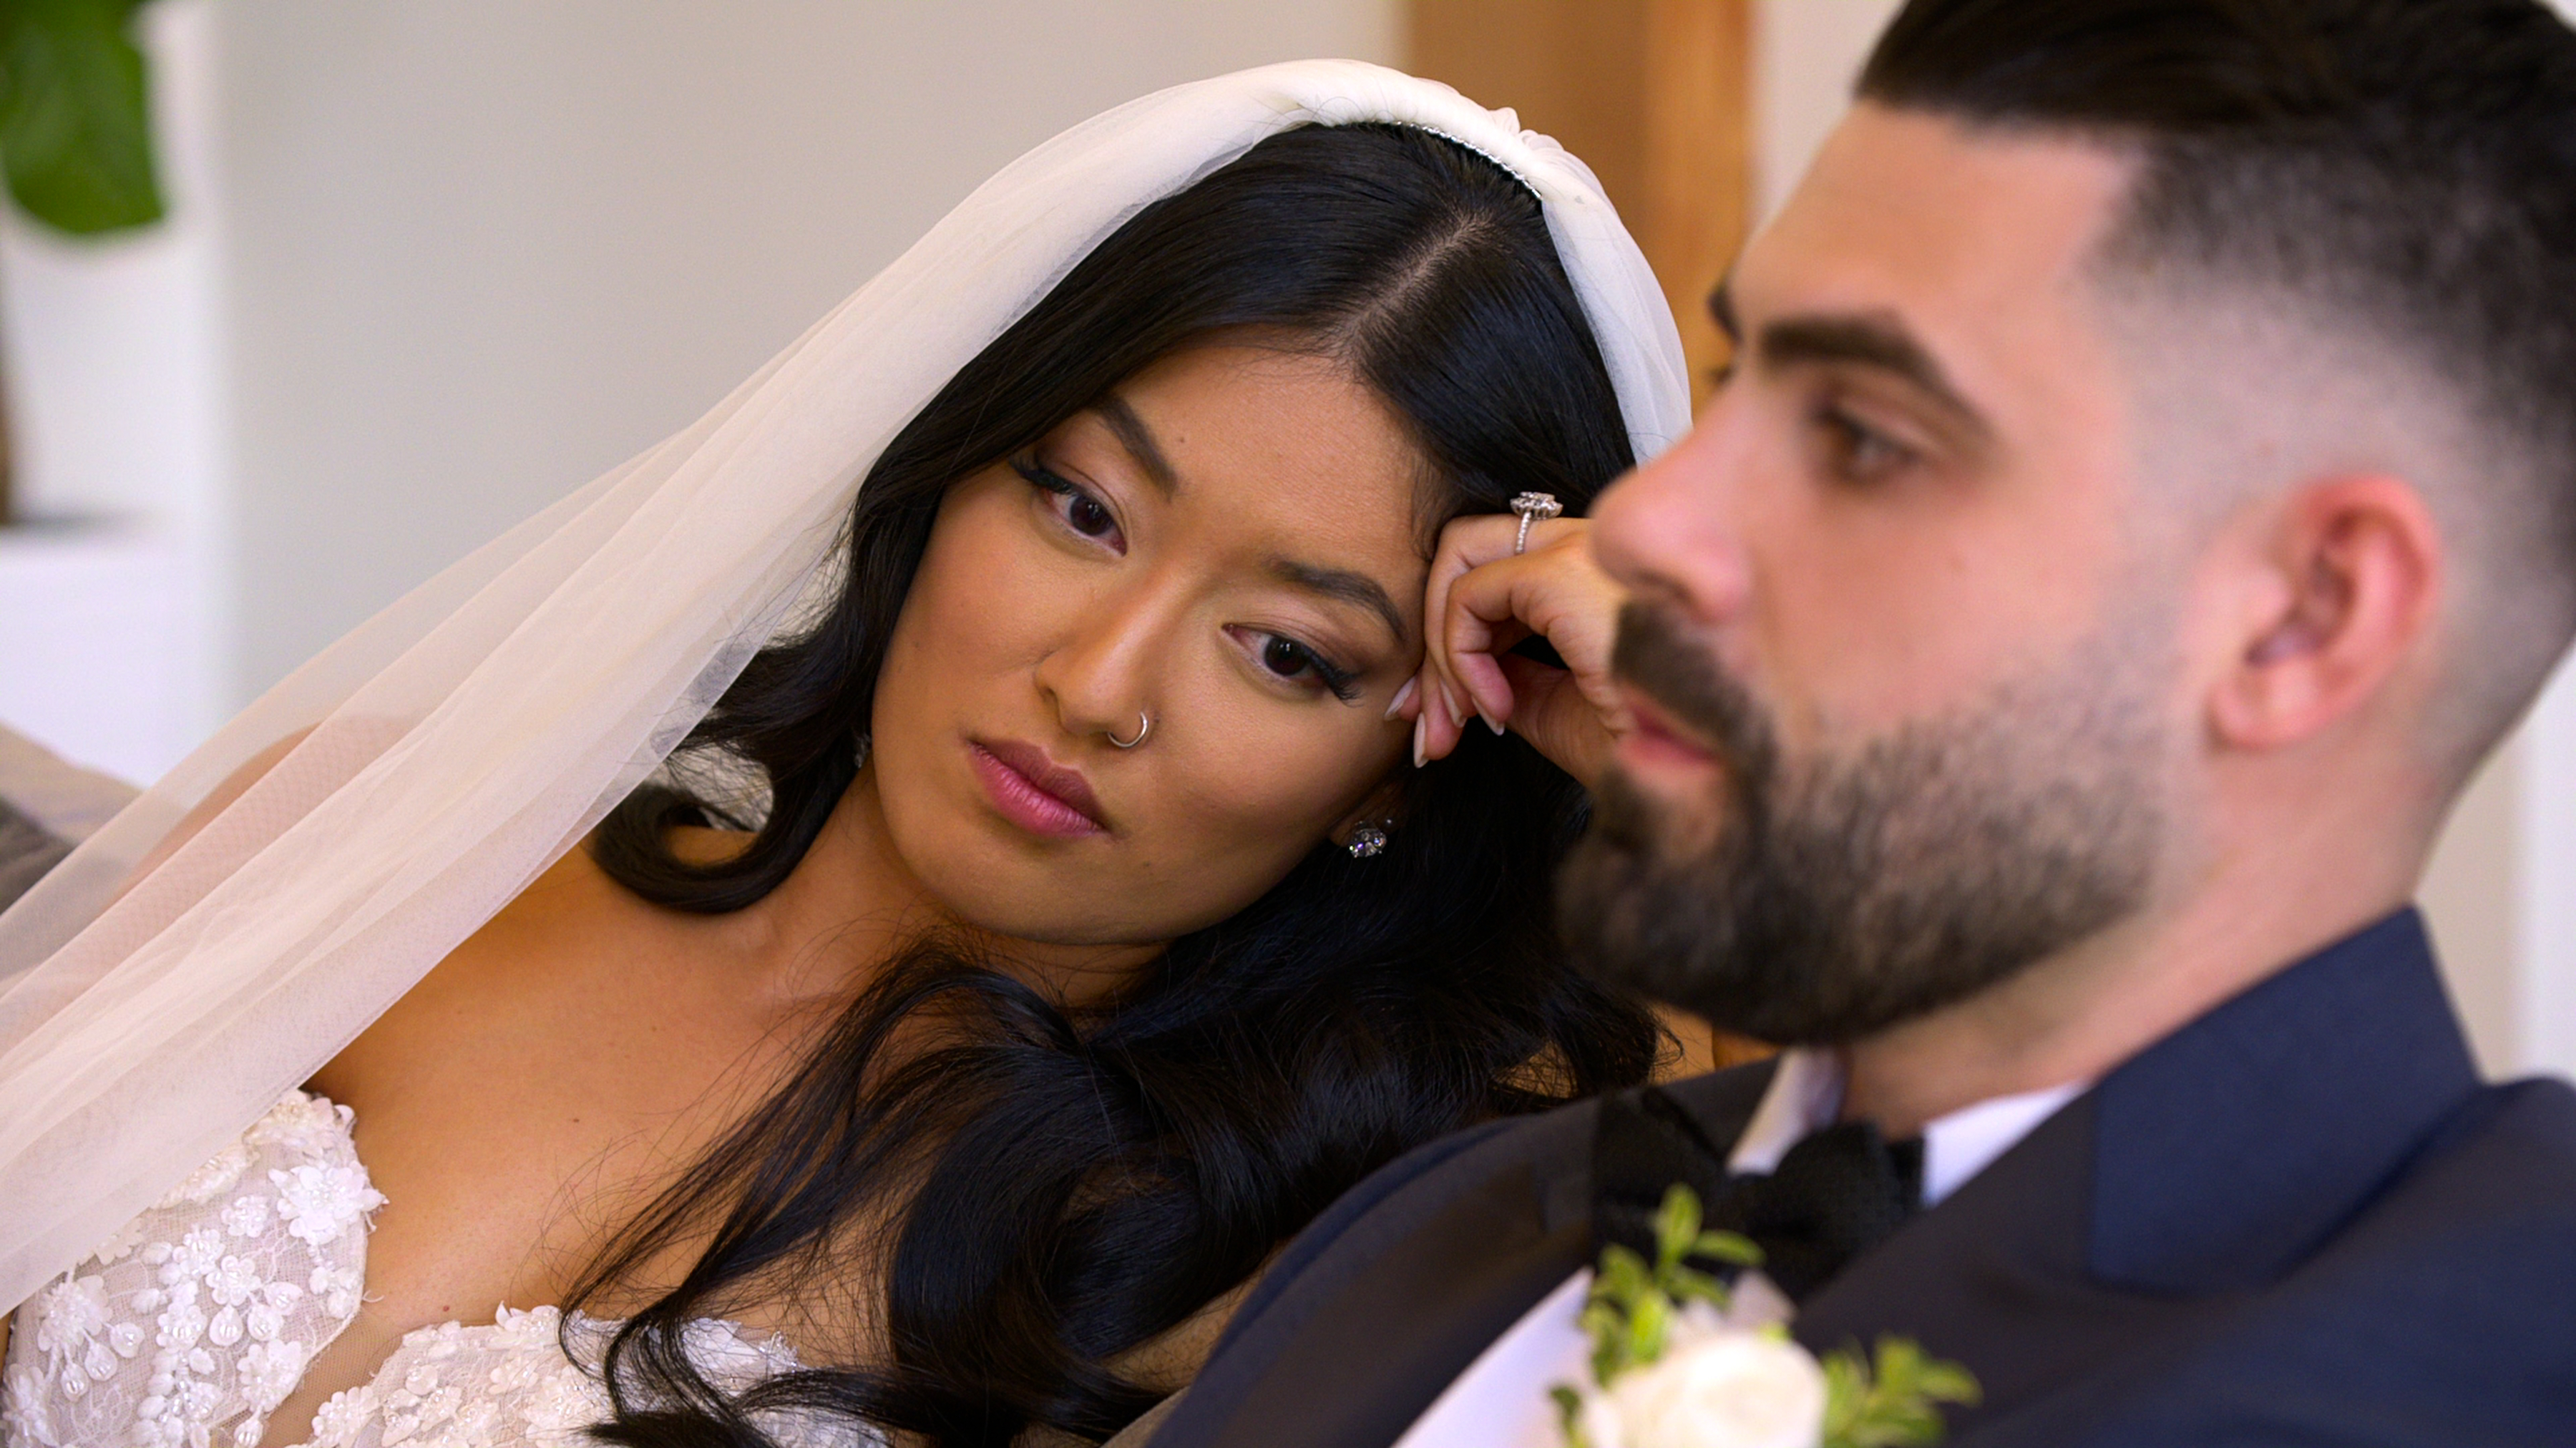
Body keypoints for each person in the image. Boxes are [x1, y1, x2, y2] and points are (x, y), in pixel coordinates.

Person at [0, 64, 1699, 1448]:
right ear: (950, 460)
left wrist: (1680, 760)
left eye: (1288, 651)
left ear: (1413, 758)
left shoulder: (1256, 1272)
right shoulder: (361, 827)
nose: (1100, 683)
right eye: (1082, 506)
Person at [1148, 4, 2576, 1444]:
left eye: (1864, 437)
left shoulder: (2501, 1367)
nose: (1648, 522)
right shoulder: (1444, 1221)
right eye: (1739, 380)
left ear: (2302, 620)